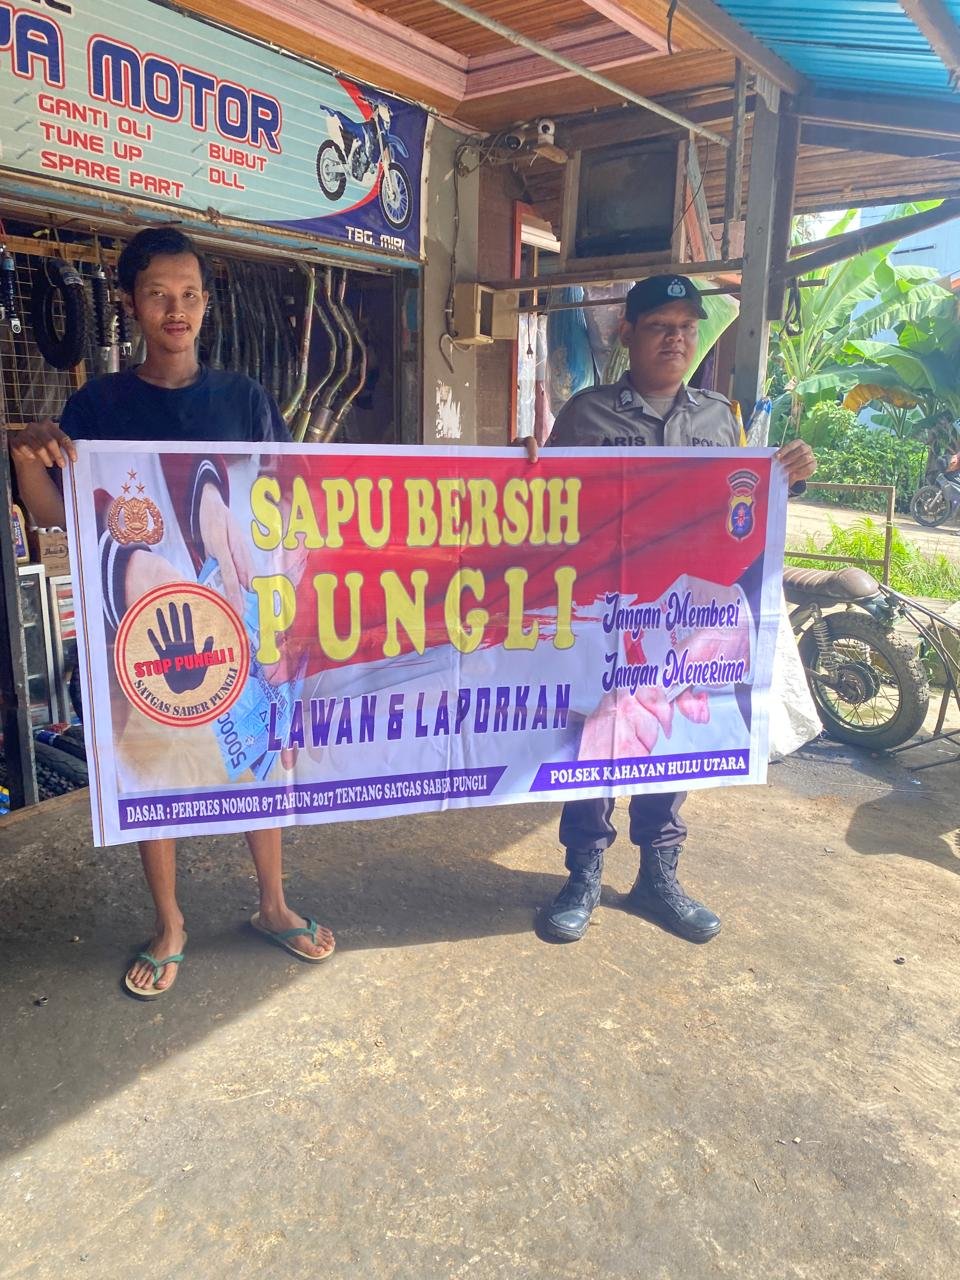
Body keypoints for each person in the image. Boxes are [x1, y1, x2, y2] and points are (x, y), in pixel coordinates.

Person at [10, 227, 335, 996]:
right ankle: (170, 923)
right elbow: (58, 516)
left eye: (189, 294)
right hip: (147, 625)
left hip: (244, 611)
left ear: (206, 303)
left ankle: (273, 904)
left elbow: (288, 494)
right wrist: (26, 460)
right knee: (151, 770)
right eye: (158, 294)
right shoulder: (99, 404)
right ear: (130, 303)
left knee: (259, 759)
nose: (176, 309)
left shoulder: (243, 400)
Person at [531, 274, 816, 945]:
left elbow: (743, 509)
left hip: (687, 617)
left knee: (673, 740)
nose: (676, 339)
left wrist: (788, 480)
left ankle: (658, 877)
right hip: (608, 613)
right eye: (660, 326)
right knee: (597, 740)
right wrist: (526, 466)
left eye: (686, 327)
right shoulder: (586, 415)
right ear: (629, 333)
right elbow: (546, 509)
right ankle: (583, 876)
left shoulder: (719, 418)